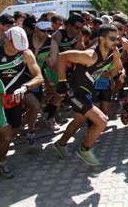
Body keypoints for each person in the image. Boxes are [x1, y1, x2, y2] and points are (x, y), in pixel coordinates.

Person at [53, 24, 122, 166]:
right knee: (102, 120)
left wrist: (115, 66)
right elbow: (62, 56)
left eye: (117, 39)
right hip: (75, 93)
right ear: (102, 39)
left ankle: (60, 144)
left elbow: (118, 69)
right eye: (112, 39)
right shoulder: (90, 56)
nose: (116, 42)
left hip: (86, 91)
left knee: (78, 121)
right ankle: (85, 149)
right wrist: (62, 82)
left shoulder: (111, 52)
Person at [0, 27, 44, 178]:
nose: (18, 51)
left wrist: (25, 87)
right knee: (7, 135)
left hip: (15, 98)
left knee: (14, 131)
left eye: (21, 48)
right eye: (15, 47)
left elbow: (39, 77)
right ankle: (1, 164)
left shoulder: (26, 53)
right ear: (7, 40)